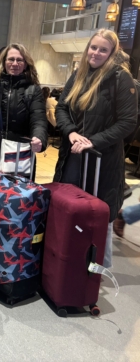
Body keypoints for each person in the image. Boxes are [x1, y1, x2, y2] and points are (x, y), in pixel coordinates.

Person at [54, 29, 137, 268]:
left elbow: (128, 121)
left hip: (103, 160)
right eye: (93, 47)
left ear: (112, 53)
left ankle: (97, 271)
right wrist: (71, 132)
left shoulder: (121, 78)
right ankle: (67, 266)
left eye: (103, 50)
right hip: (73, 156)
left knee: (98, 217)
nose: (96, 53)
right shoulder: (78, 74)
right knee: (70, 210)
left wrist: (93, 141)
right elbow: (61, 108)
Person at [0, 43, 48, 174]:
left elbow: (39, 119)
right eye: (11, 59)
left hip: (20, 158)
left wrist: (39, 137)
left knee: (19, 188)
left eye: (19, 60)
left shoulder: (33, 90)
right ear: (3, 62)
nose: (15, 63)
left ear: (26, 64)